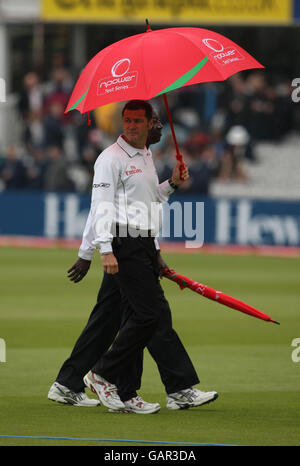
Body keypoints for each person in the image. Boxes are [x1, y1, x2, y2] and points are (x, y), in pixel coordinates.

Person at [48, 101, 218, 413]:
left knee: (112, 319)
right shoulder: (110, 159)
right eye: (128, 120)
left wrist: (171, 185)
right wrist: (101, 251)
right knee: (151, 315)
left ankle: (78, 384)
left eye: (139, 121)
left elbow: (148, 201)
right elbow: (101, 207)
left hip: (141, 243)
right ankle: (108, 377)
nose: (132, 126)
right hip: (123, 244)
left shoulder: (145, 154)